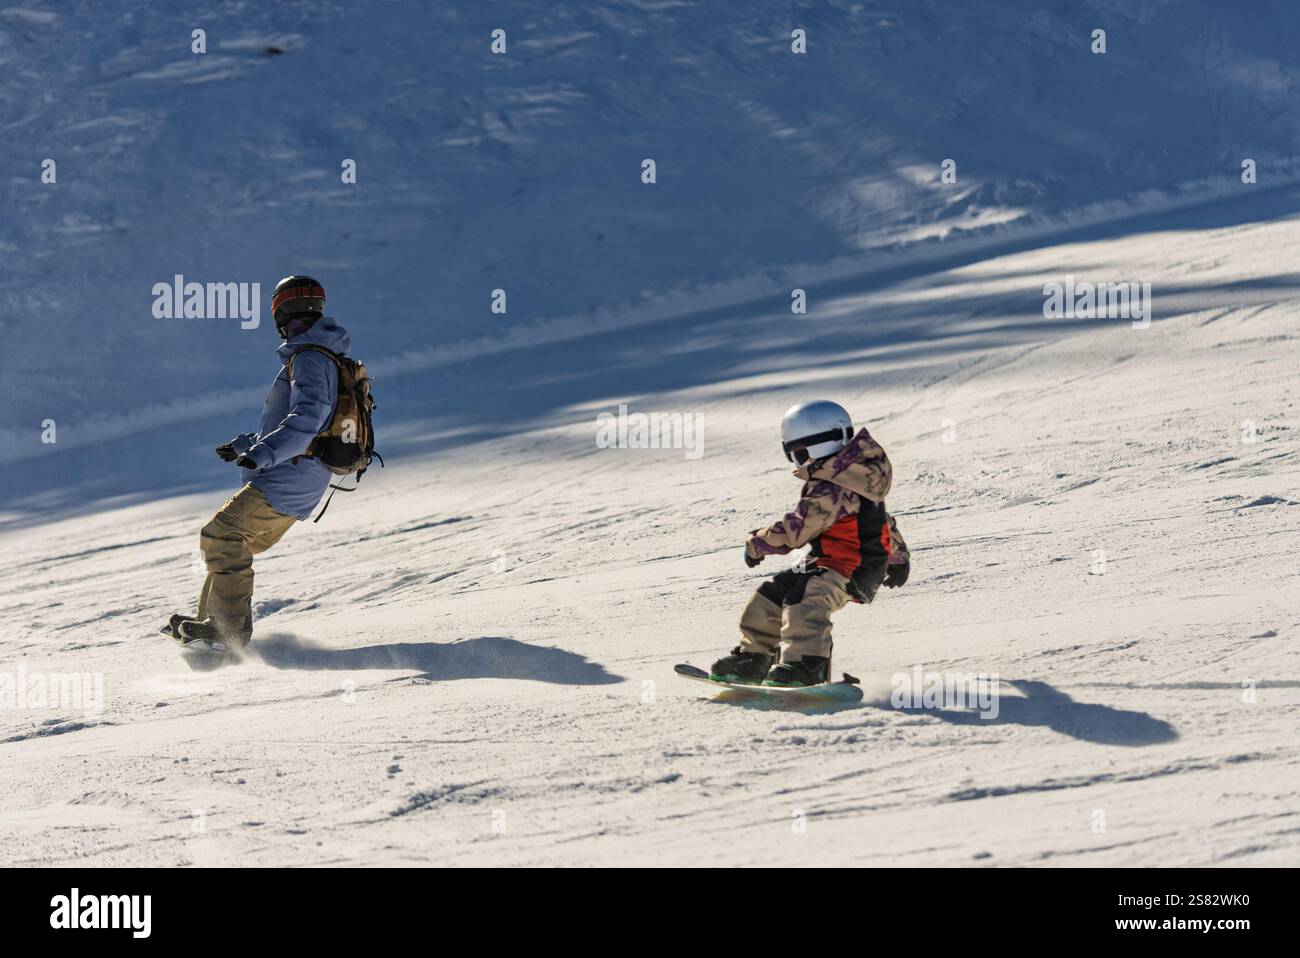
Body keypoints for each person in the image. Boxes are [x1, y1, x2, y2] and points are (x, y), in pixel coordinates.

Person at [171, 275, 351, 649]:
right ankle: (212, 627)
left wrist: (263, 454)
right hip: (300, 476)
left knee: (221, 535)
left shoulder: (309, 358)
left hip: (290, 475)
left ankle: (228, 631)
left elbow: (307, 419)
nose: (295, 325)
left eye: (300, 319)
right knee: (228, 543)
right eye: (294, 318)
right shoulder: (320, 356)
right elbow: (296, 425)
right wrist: (245, 446)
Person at [710, 401, 911, 687]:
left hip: (851, 567)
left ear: (812, 449)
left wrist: (758, 543)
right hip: (829, 561)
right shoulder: (853, 478)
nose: (797, 462)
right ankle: (753, 658)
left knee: (806, 600)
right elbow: (882, 521)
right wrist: (899, 557)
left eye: (797, 454)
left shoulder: (832, 486)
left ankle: (805, 665)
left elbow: (798, 529)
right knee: (771, 594)